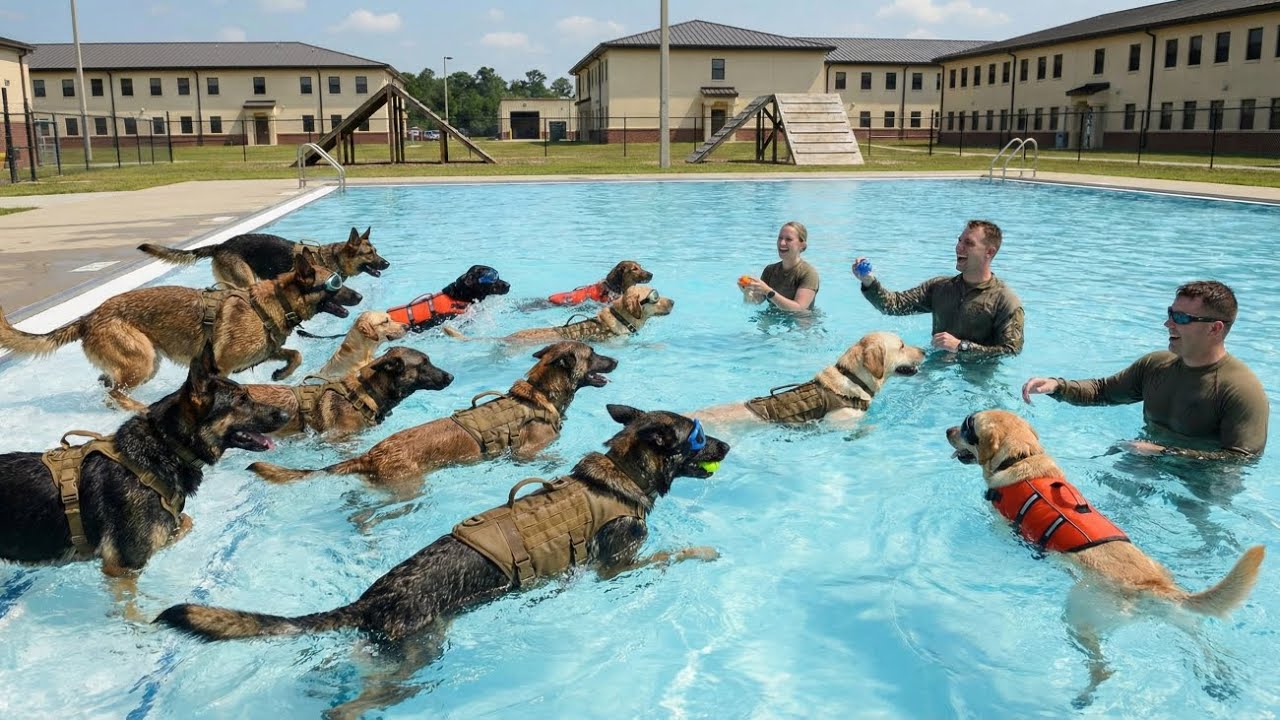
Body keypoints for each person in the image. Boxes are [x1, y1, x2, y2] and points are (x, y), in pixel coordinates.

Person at [1023, 280, 1269, 460]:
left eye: (1182, 319)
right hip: (1145, 457)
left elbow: (1241, 459)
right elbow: (1103, 391)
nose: (1168, 324)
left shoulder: (1241, 389)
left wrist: (1166, 452)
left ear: (1215, 329)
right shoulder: (1155, 365)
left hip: (1201, 482)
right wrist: (1057, 386)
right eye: (1170, 313)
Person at [852, 219, 1023, 357]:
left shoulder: (1005, 300)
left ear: (989, 252)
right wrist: (869, 281)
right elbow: (893, 305)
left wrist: (962, 347)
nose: (958, 247)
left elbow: (1011, 350)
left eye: (968, 243)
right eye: (959, 240)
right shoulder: (940, 288)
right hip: (938, 365)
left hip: (978, 377)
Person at [739, 221, 819, 314]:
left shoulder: (808, 273)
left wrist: (768, 291)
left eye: (788, 239)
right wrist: (747, 292)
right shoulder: (770, 270)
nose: (782, 243)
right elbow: (756, 302)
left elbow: (800, 308)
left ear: (802, 245)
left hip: (801, 320)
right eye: (780, 238)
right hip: (774, 316)